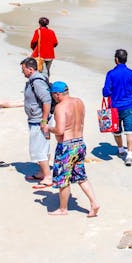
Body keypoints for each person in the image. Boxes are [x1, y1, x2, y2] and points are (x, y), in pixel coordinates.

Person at [47, 81, 100, 217]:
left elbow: (59, 130)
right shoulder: (79, 102)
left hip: (67, 146)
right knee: (81, 176)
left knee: (63, 179)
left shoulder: (60, 107)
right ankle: (94, 203)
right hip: (79, 143)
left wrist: (48, 128)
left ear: (57, 94)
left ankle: (63, 209)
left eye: (53, 95)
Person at [102, 49, 132, 166]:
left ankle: (120, 150)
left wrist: (104, 91)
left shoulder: (111, 74)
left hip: (115, 108)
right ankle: (129, 155)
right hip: (129, 106)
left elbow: (106, 92)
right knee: (130, 131)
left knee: (117, 131)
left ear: (116, 59)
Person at [20, 57, 54, 185]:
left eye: (23, 70)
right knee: (43, 147)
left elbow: (46, 100)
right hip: (37, 119)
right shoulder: (33, 80)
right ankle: (42, 173)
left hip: (39, 120)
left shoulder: (37, 81)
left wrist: (44, 120)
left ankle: (47, 176)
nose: (22, 72)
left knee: (38, 148)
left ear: (30, 69)